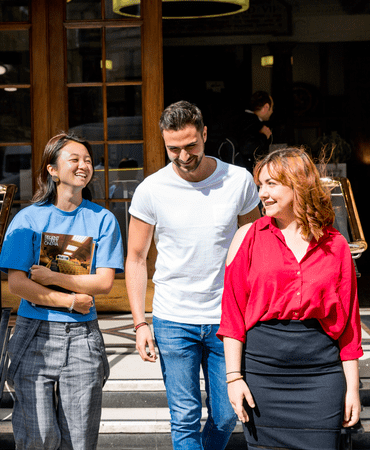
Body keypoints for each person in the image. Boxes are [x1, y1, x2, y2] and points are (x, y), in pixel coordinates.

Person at [125, 100, 261, 450]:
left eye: (191, 146)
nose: (183, 156)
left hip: (226, 319)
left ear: (204, 134)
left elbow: (254, 249)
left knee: (227, 413)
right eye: (173, 149)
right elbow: (137, 258)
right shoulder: (152, 190)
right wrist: (140, 323)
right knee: (184, 417)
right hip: (173, 319)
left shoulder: (238, 181)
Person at [218, 147, 362, 449]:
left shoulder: (335, 245)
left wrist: (353, 388)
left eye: (271, 184)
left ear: (298, 184)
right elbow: (232, 316)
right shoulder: (247, 236)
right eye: (260, 185)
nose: (262, 193)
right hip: (262, 376)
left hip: (320, 378)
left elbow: (349, 325)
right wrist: (233, 378)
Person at [0, 133, 124, 450]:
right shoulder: (27, 219)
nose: (83, 165)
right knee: (37, 439)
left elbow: (103, 283)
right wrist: (70, 301)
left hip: (83, 339)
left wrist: (52, 276)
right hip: (34, 334)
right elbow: (18, 284)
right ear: (52, 170)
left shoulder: (103, 220)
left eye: (87, 160)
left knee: (79, 441)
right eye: (74, 159)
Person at [222, 91, 274, 173]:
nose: (272, 112)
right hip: (244, 171)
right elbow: (247, 148)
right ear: (266, 107)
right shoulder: (252, 122)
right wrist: (264, 136)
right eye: (272, 108)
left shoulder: (241, 119)